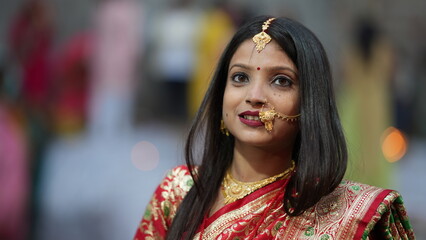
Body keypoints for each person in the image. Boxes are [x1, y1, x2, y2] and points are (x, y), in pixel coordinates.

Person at [134, 16, 415, 239]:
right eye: (240, 77)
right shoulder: (179, 190)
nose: (253, 96)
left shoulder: (349, 216)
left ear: (310, 104)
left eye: (281, 81)